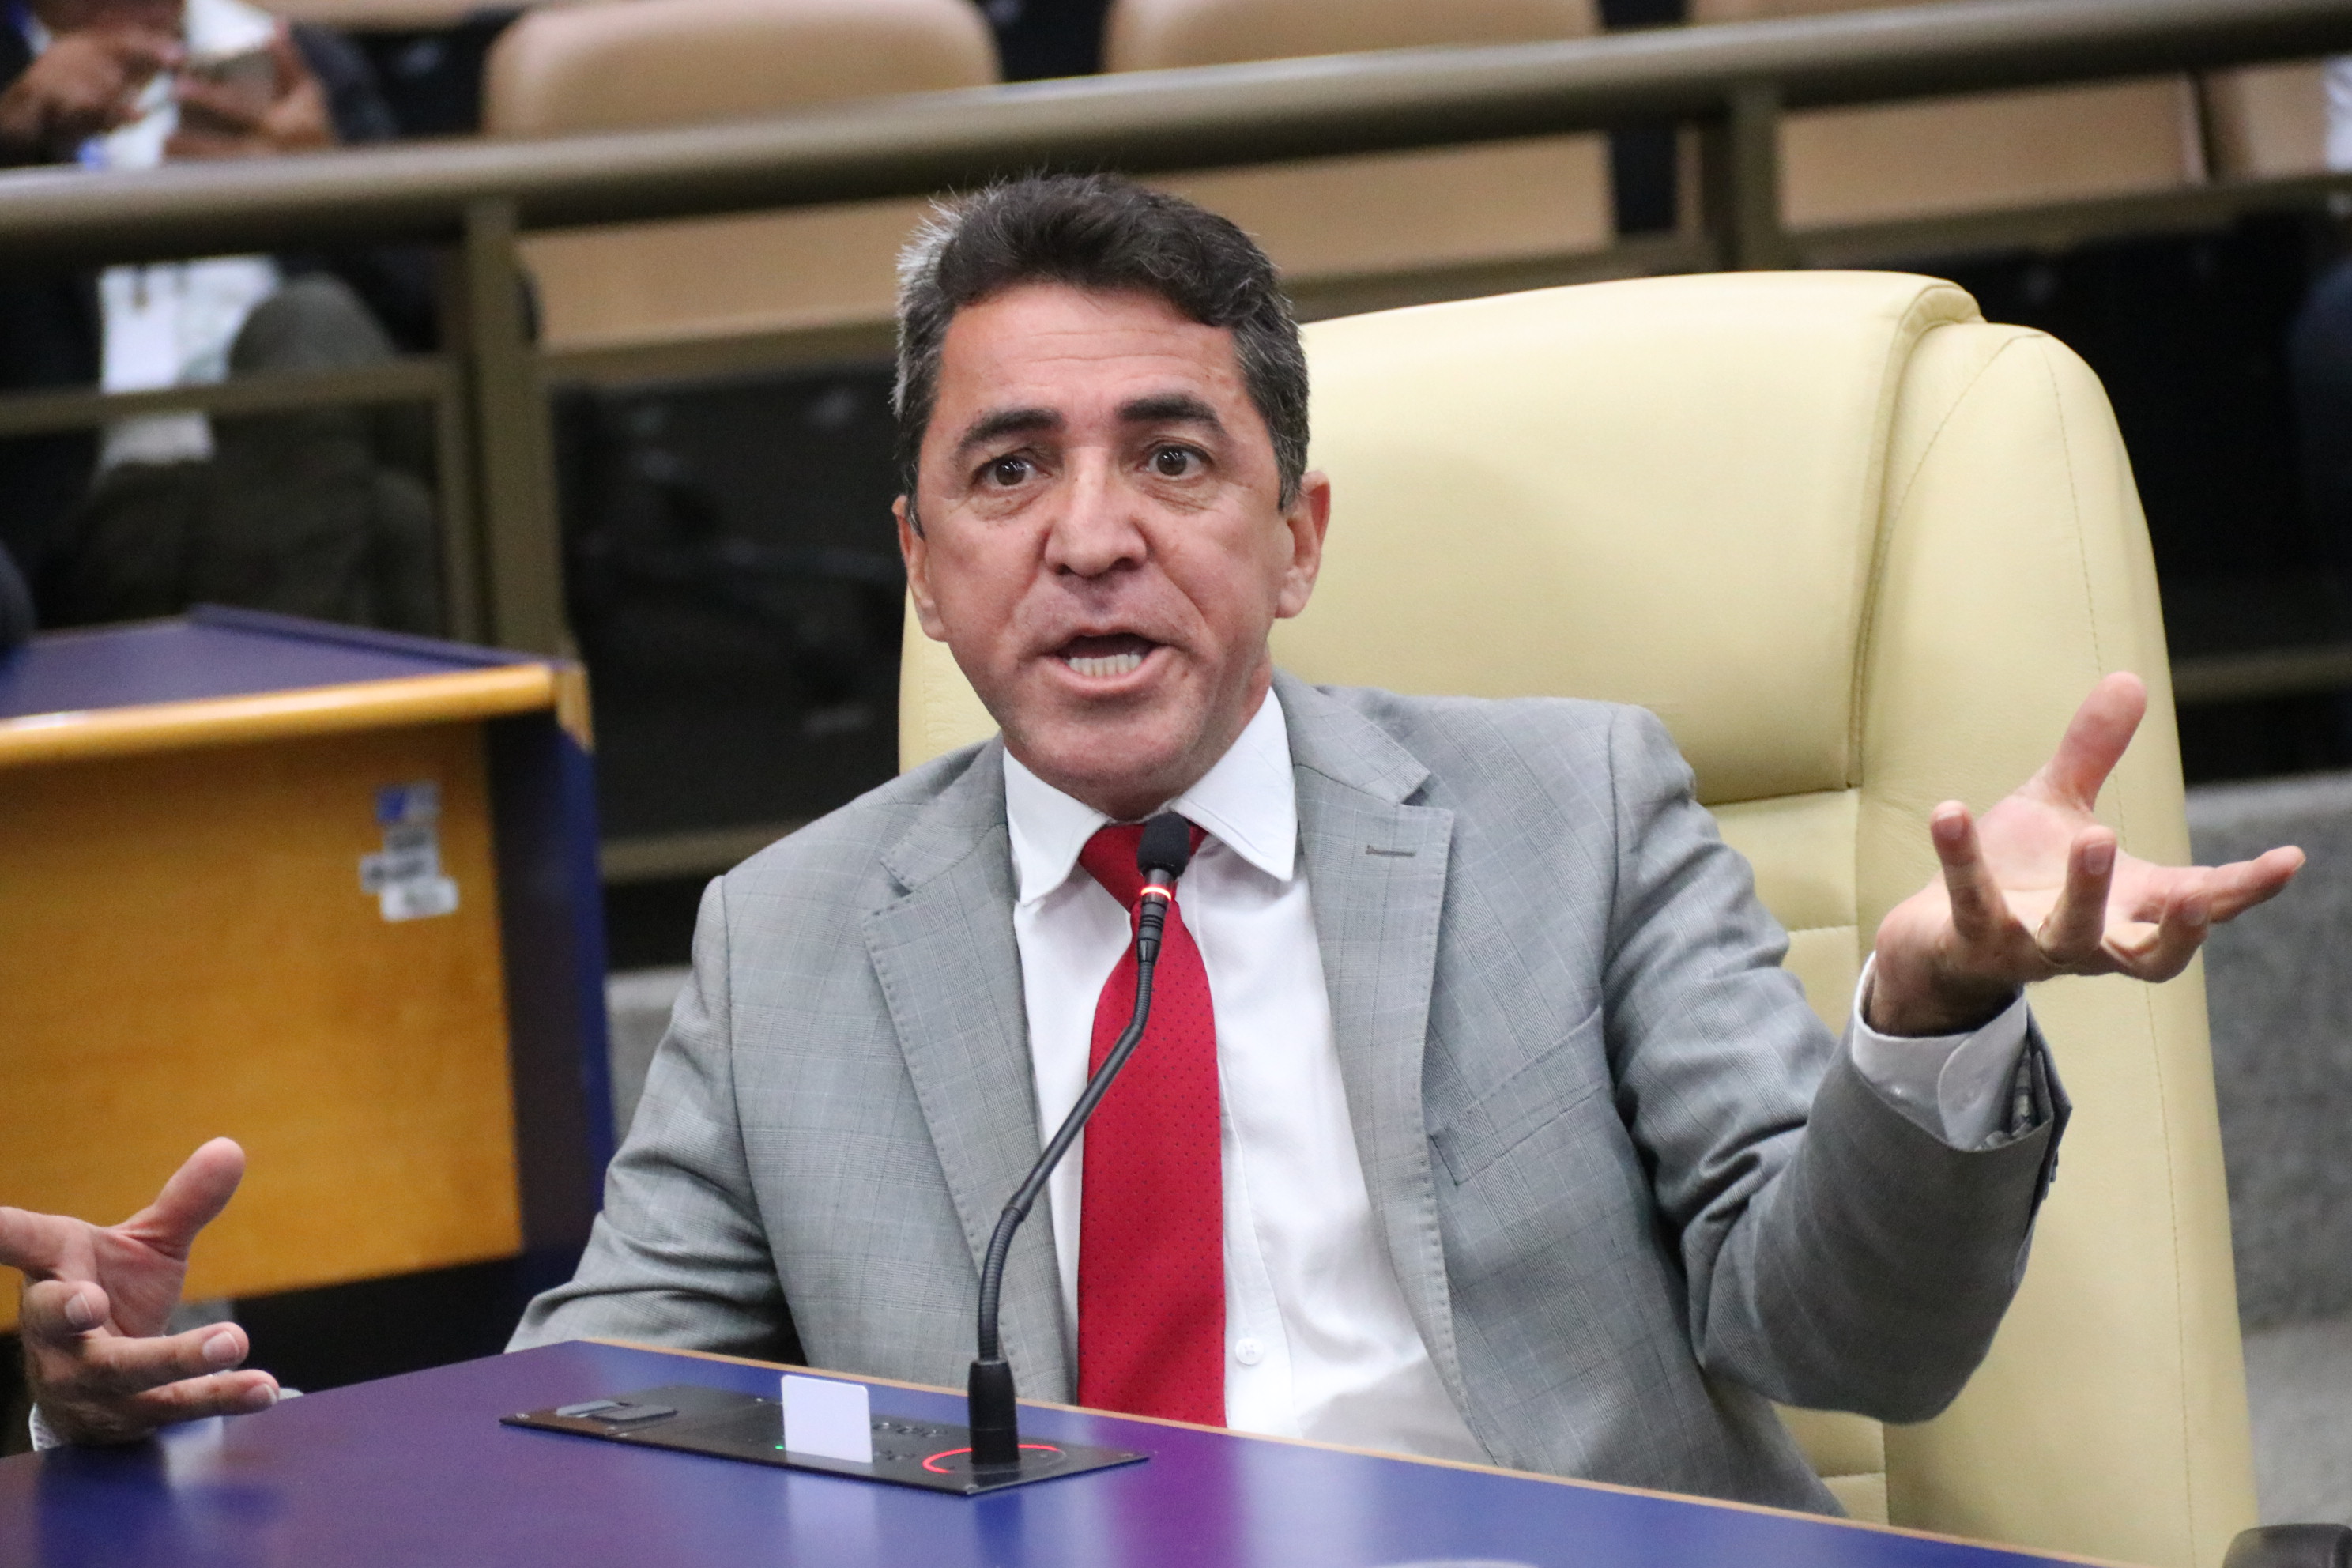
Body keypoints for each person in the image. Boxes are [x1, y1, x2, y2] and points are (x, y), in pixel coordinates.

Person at [0, 175, 2305, 1507]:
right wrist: (174, 1410)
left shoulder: (1572, 812)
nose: (1089, 537)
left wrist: (1920, 1009)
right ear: (922, 568)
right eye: (1008, 471)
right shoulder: (794, 932)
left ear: (1295, 536)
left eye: (1171, 460)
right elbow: (600, 1410)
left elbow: (1849, 1337)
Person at [0, 0, 439, 631]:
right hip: (89, 502)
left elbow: (495, 307)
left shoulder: (295, 62)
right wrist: (11, 134)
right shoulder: (11, 77)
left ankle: (272, 690)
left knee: (310, 325)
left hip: (296, 429)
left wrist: (328, 188)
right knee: (397, 523)